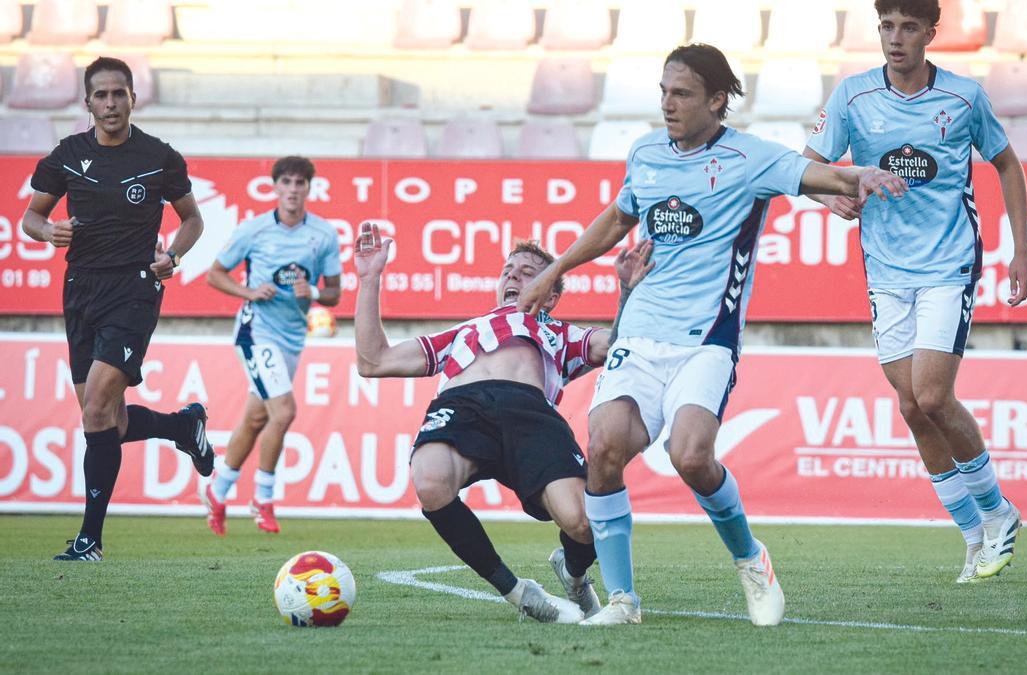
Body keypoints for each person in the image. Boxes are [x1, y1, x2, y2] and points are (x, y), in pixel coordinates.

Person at [518, 43, 908, 626]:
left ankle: (752, 561)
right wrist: (555, 269)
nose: (668, 105)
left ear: (717, 100)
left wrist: (860, 174)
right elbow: (619, 217)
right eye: (664, 92)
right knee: (602, 451)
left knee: (692, 456)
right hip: (642, 332)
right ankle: (623, 602)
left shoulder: (750, 159)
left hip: (707, 339)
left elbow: (816, 175)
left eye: (682, 94)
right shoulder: (646, 151)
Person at [802, 0, 1027, 583]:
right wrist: (832, 197)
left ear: (931, 33)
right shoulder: (852, 96)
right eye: (887, 26)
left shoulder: (963, 97)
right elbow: (806, 167)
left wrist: (1020, 251)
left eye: (908, 27)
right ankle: (974, 535)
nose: (896, 37)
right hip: (885, 270)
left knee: (931, 395)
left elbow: (1007, 165)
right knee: (910, 405)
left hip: (948, 263)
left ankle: (999, 512)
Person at [354, 223, 654, 623]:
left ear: (551, 295)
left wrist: (629, 292)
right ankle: (519, 593)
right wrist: (369, 278)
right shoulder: (466, 331)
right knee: (429, 480)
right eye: (508, 270)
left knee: (583, 523)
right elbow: (372, 361)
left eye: (528, 272)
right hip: (464, 406)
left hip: (530, 414)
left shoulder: (559, 333)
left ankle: (574, 573)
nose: (513, 275)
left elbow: (617, 343)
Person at [21, 56, 213, 561]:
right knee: (108, 420)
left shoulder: (158, 157)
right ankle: (181, 426)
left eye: (118, 94)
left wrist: (172, 255)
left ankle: (90, 539)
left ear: (133, 98)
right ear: (88, 103)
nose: (110, 103)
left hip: (134, 287)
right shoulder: (67, 155)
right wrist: (48, 231)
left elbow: (192, 220)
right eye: (101, 95)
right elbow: (30, 217)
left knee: (97, 410)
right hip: (80, 289)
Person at [200, 156, 343, 536]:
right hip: (255, 331)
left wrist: (311, 291)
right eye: (287, 183)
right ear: (275, 187)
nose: (293, 190)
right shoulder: (255, 230)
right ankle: (263, 498)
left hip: (292, 337)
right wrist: (248, 291)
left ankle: (218, 489)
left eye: (300, 183)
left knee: (257, 417)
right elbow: (215, 274)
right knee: (284, 412)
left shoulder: (324, 234)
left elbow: (334, 294)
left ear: (309, 188)